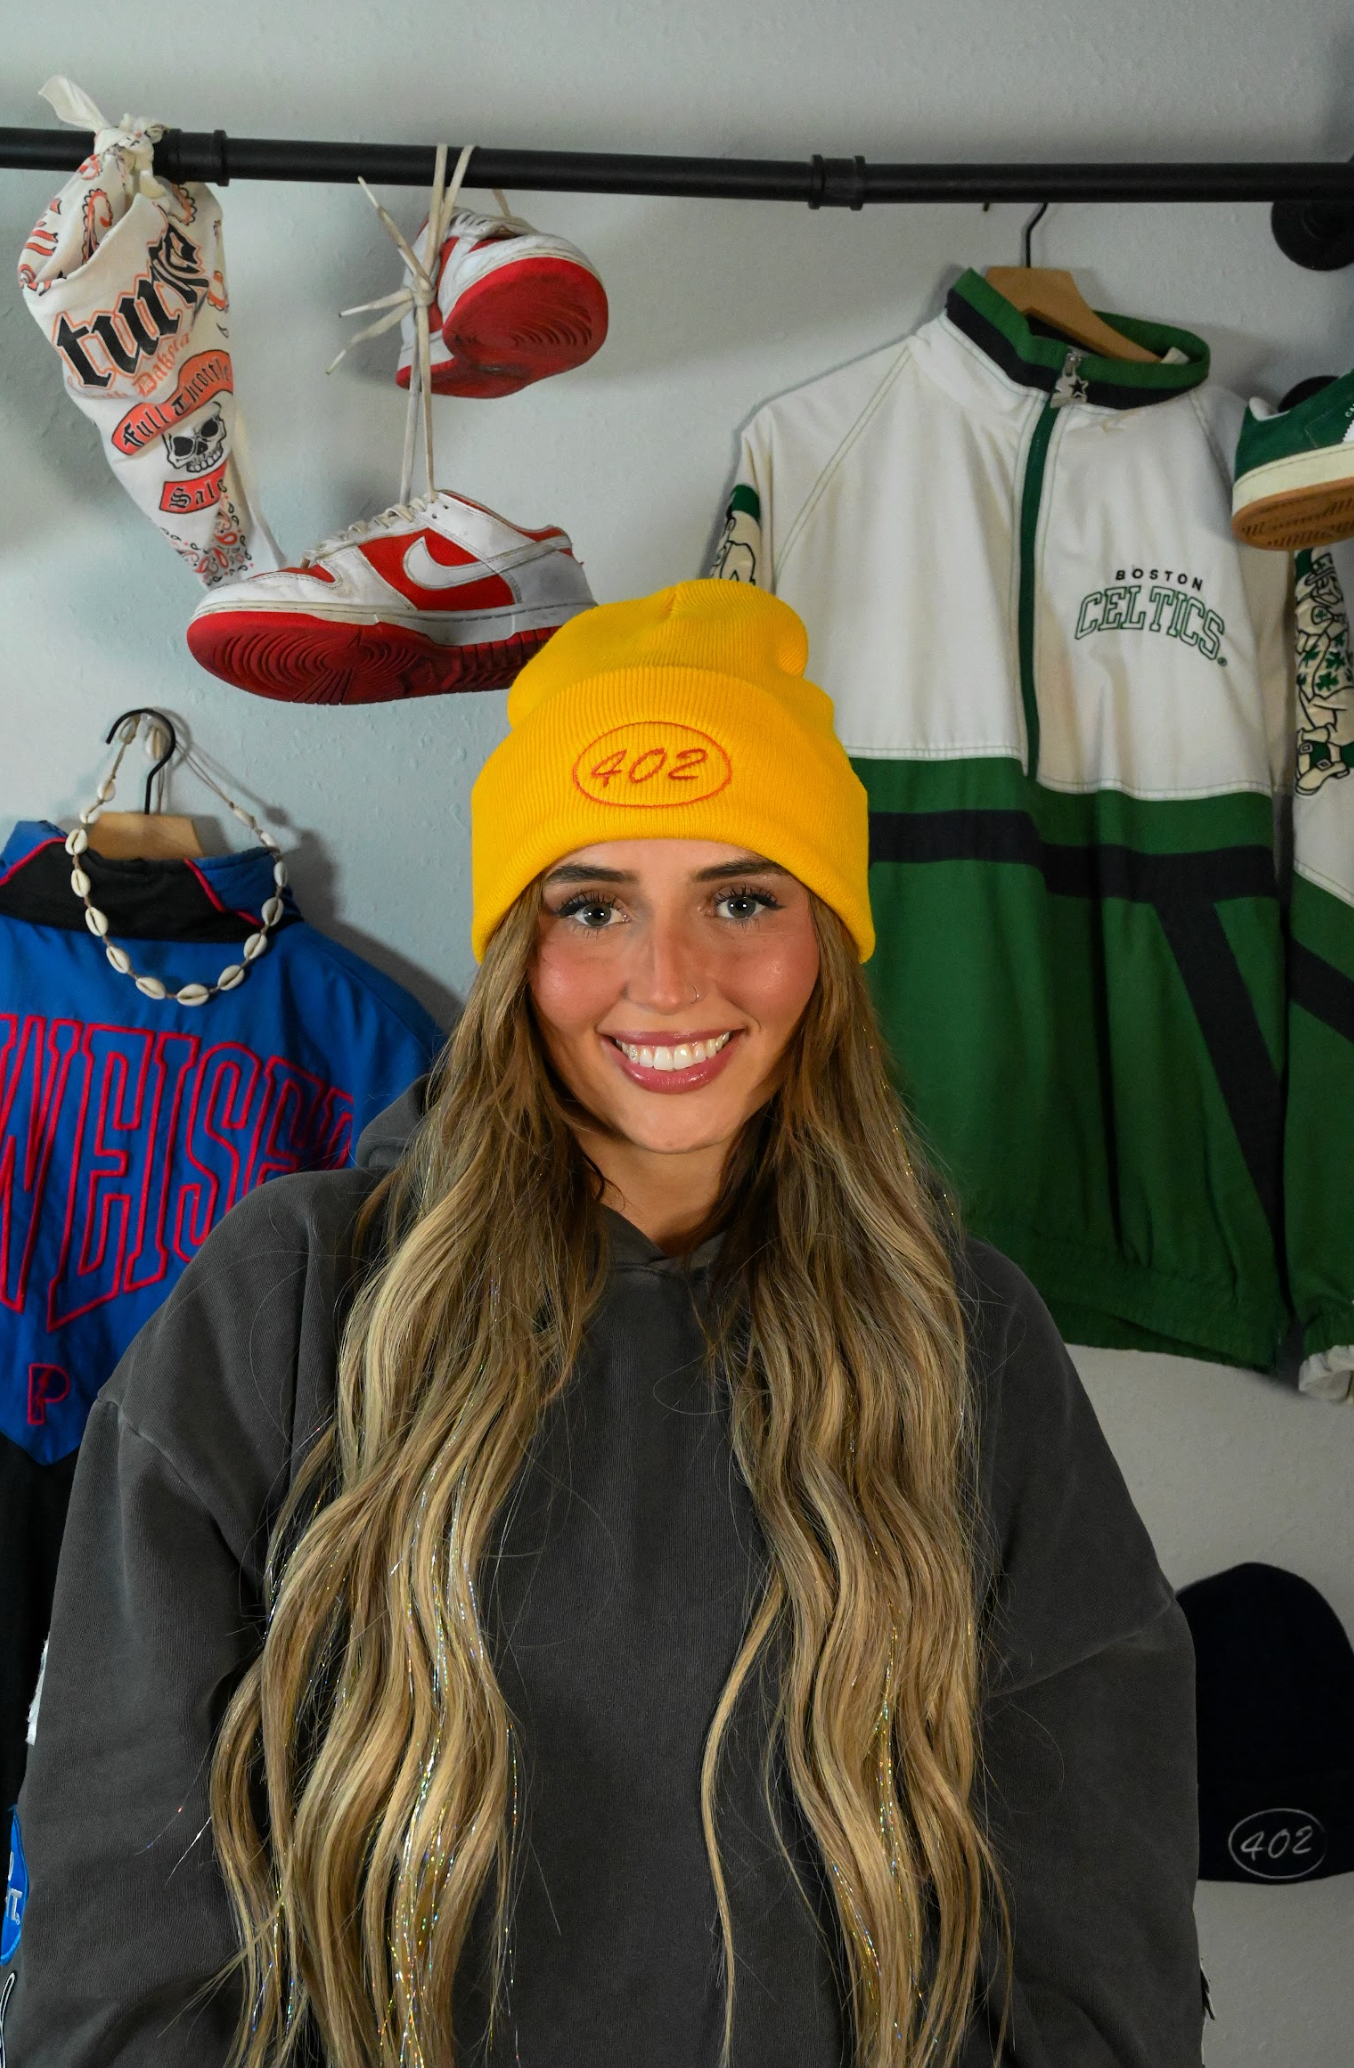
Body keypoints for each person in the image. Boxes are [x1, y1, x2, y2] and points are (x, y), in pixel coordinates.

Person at [0, 583, 1203, 2068]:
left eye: (742, 898)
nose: (668, 981)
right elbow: (121, 1903)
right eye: (592, 905)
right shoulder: (294, 1293)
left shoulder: (961, 1333)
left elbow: (1095, 1915)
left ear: (828, 939)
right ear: (520, 945)